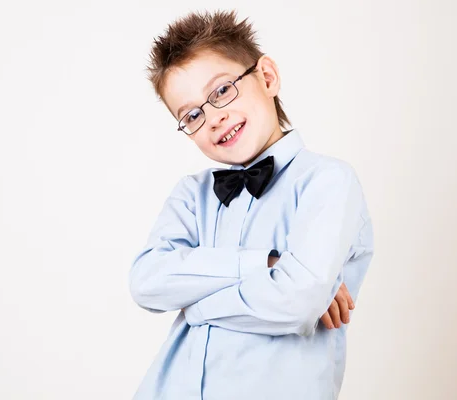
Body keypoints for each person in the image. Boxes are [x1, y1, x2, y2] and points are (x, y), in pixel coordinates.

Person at [128, 9, 374, 400]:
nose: (213, 118)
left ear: (267, 77)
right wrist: (266, 263)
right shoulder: (192, 195)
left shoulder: (327, 181)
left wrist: (197, 305)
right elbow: (147, 282)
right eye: (191, 114)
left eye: (222, 90)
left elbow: (298, 302)